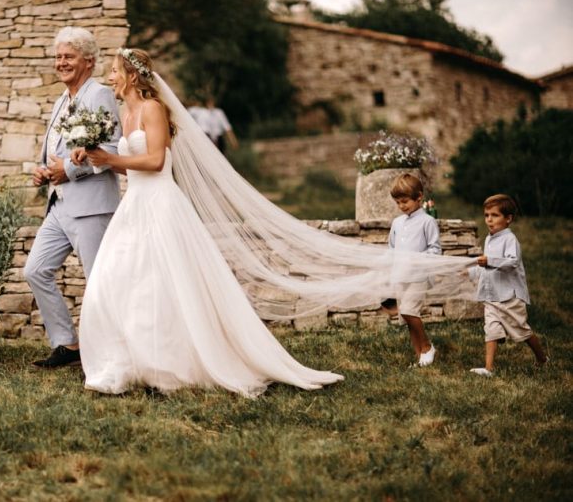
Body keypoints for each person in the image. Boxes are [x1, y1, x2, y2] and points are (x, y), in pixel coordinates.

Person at [71, 48, 344, 396]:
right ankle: (137, 361)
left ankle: (172, 367)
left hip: (160, 203)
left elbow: (156, 161)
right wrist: (101, 159)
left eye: (113, 71)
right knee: (121, 280)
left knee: (165, 284)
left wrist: (110, 156)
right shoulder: (126, 112)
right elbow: (129, 164)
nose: (109, 77)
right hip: (135, 204)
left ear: (133, 76)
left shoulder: (153, 108)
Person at [23, 27, 121, 368]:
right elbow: (53, 150)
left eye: (68, 56)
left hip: (92, 206)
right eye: (58, 56)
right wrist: (41, 171)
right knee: (35, 270)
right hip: (59, 204)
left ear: (89, 61)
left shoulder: (100, 95)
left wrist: (69, 170)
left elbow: (110, 148)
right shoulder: (59, 101)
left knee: (98, 281)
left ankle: (111, 355)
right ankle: (67, 344)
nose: (60, 62)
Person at [468, 194, 548, 377]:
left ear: (508, 218)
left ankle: (542, 359)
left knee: (522, 330)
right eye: (487, 215)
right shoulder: (489, 239)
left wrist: (489, 261)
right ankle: (489, 369)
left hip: (508, 297)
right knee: (491, 330)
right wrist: (470, 272)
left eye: (494, 215)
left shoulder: (510, 240)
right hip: (491, 296)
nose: (489, 219)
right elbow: (486, 267)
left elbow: (511, 262)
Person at [388, 173, 440, 367]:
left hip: (419, 275)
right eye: (398, 203)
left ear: (419, 197)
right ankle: (419, 356)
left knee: (410, 311)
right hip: (400, 276)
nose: (402, 206)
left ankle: (427, 347)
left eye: (405, 201)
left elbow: (435, 249)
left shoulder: (427, 222)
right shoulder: (397, 223)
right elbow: (392, 248)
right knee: (407, 318)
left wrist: (421, 260)